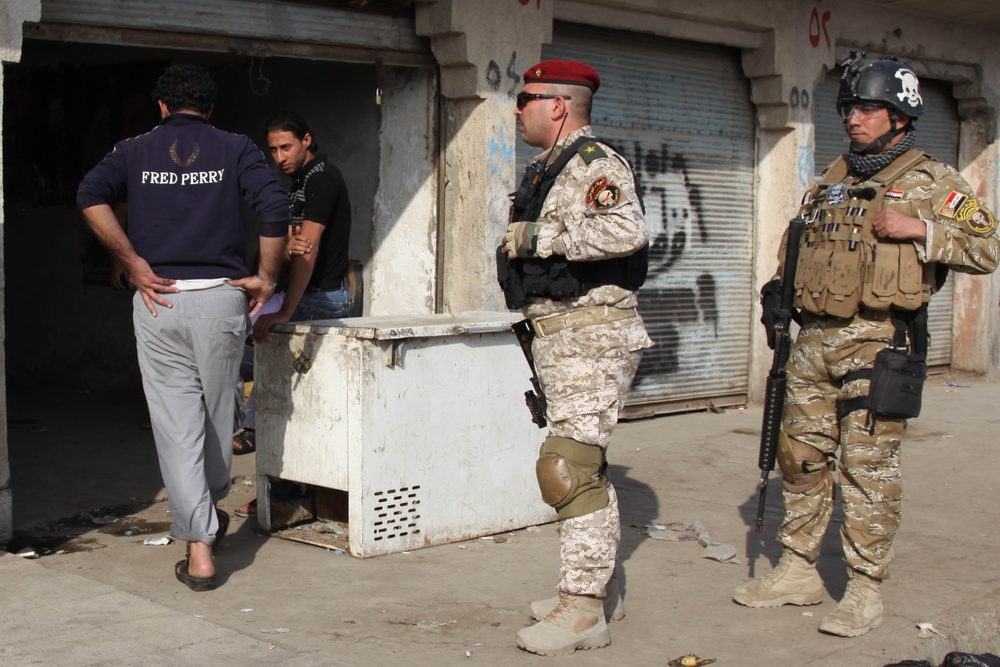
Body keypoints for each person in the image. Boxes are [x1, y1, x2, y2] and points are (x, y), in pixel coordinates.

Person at [733, 51, 999, 636]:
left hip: (878, 342)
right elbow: (799, 248)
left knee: (866, 467)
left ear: (901, 114)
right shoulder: (833, 178)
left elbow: (989, 245)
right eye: (850, 107)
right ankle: (798, 569)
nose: (854, 117)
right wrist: (778, 294)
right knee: (799, 460)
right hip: (813, 341)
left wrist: (921, 229)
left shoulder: (930, 180)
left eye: (869, 108)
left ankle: (863, 589)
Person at [77, 64, 290, 591]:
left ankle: (199, 547)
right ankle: (206, 511)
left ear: (162, 107)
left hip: (158, 302)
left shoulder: (133, 149)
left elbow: (89, 196)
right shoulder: (235, 147)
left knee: (176, 426)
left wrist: (132, 262)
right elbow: (275, 206)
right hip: (220, 300)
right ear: (209, 109)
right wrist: (266, 277)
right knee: (219, 418)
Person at [498, 59, 653, 656]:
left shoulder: (595, 164)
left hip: (591, 333)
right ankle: (581, 590)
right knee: (577, 463)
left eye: (526, 98)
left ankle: (584, 609)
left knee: (568, 467)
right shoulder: (547, 168)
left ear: (558, 105)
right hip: (558, 333)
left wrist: (543, 238)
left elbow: (626, 233)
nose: (518, 109)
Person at [233, 111, 353, 517]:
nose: (279, 156)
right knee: (282, 393)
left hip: (318, 298)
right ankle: (281, 478)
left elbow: (308, 248)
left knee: (288, 398)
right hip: (306, 295)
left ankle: (285, 484)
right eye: (273, 149)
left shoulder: (321, 177)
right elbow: (289, 247)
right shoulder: (300, 182)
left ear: (307, 140)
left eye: (286, 147)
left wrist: (284, 307)